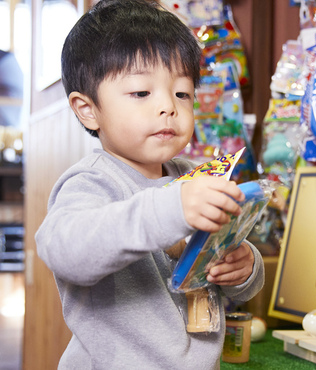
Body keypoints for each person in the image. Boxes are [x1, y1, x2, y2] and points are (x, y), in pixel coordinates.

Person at [35, 0, 264, 368]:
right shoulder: (91, 182)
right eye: (142, 93)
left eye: (182, 93)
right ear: (87, 109)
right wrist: (172, 208)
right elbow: (63, 250)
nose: (168, 107)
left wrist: (243, 266)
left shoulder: (193, 175)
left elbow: (228, 265)